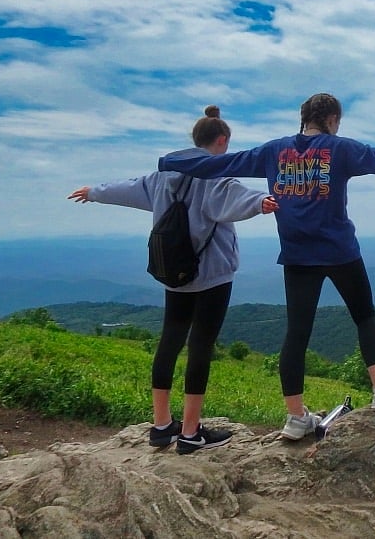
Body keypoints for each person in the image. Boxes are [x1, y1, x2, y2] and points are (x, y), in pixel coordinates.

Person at [158, 92, 375, 440]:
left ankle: (296, 416)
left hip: (298, 255)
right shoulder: (339, 149)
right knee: (364, 316)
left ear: (305, 119)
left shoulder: (273, 151)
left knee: (297, 334)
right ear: (332, 120)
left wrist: (170, 162)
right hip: (340, 251)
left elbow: (220, 164)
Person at [68, 105, 278, 454]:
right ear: (221, 141)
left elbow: (127, 188)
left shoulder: (161, 176)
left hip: (172, 273)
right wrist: (263, 202)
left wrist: (94, 191)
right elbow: (235, 197)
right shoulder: (214, 176)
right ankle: (191, 432)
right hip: (212, 276)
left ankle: (162, 426)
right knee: (200, 348)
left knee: (169, 342)